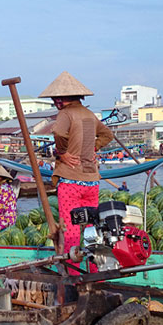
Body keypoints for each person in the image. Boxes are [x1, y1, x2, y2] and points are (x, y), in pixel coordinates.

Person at [39, 71, 114, 270]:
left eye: (58, 98)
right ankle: (96, 269)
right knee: (92, 227)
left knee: (71, 228)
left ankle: (73, 273)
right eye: (54, 99)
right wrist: (92, 148)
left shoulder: (66, 114)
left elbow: (58, 132)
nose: (56, 102)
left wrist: (61, 153)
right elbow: (107, 135)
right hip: (92, 181)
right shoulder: (89, 114)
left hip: (71, 179)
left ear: (66, 98)